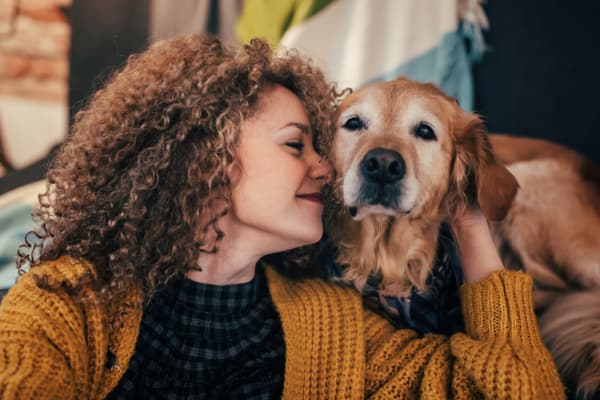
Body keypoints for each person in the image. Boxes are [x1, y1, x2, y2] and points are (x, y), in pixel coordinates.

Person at [0, 34, 564, 399]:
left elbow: (520, 390)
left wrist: (467, 221)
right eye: (298, 146)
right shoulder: (70, 301)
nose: (326, 168)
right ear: (204, 163)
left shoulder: (337, 327)